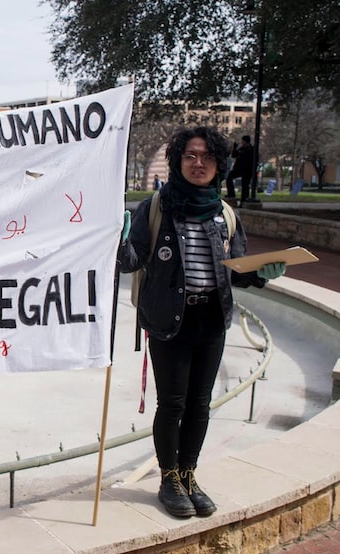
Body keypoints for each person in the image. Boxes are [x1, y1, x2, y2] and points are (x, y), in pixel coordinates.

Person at [117, 127, 285, 518]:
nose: (198, 163)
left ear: (219, 165)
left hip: (211, 319)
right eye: (190, 155)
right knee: (172, 403)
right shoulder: (156, 206)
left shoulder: (224, 213)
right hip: (168, 320)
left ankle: (189, 474)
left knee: (201, 404)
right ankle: (168, 478)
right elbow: (131, 262)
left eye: (207, 157)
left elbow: (236, 270)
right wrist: (118, 241)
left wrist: (262, 272)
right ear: (177, 160)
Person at [225, 135, 254, 202]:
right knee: (229, 177)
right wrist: (235, 148)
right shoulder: (241, 149)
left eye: (243, 141)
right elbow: (234, 155)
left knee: (245, 185)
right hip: (238, 168)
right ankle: (231, 194)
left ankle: (244, 199)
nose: (242, 142)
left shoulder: (250, 149)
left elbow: (251, 160)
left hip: (247, 170)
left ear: (246, 142)